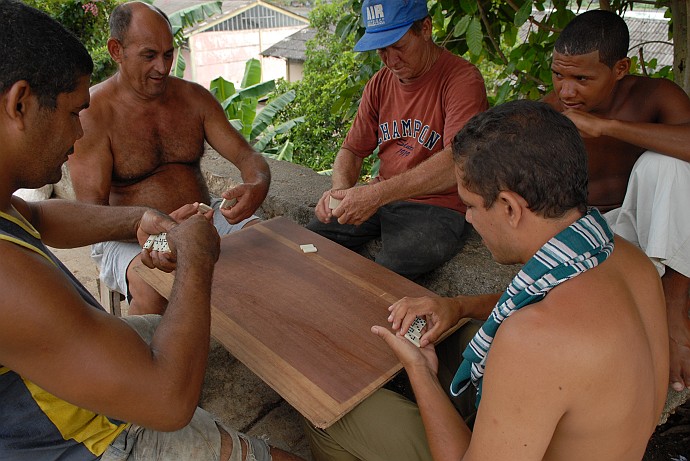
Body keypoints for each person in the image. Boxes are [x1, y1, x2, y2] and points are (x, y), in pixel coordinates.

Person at [0, 2, 303, 460]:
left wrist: (140, 218)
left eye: (169, 54)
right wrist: (196, 256)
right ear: (19, 104)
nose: (77, 130)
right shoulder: (7, 280)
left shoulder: (6, 206)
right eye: (70, 113)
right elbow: (168, 403)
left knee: (184, 319)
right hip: (97, 438)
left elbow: (37, 217)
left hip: (80, 372)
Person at [303, 100, 669, 460]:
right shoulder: (626, 259)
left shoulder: (534, 342)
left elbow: (538, 334)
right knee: (463, 336)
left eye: (471, 205)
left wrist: (420, 373)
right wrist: (457, 306)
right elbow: (540, 302)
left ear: (510, 208)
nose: (468, 219)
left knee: (329, 412)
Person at [68, 1, 271, 315]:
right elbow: (92, 218)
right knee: (154, 290)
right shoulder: (94, 114)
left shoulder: (193, 98)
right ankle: (136, 362)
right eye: (149, 55)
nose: (162, 68)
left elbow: (247, 156)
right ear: (115, 50)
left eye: (168, 54)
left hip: (203, 215)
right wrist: (156, 228)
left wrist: (257, 183)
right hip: (126, 236)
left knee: (268, 248)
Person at [540, 10, 690, 392]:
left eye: (582, 79)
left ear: (620, 68)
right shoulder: (553, 109)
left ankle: (674, 309)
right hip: (598, 234)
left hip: (657, 232)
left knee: (666, 166)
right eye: (559, 75)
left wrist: (608, 127)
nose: (567, 91)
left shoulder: (655, 94)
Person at [307, 0, 488, 280]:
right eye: (382, 50)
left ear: (425, 28)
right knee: (311, 243)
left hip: (437, 207)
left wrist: (377, 194)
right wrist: (339, 192)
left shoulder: (462, 80)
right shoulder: (379, 83)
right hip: (383, 196)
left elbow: (458, 162)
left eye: (399, 47)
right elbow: (352, 150)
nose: (391, 61)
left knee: (387, 274)